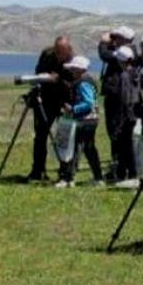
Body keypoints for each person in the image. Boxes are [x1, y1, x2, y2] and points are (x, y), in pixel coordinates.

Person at [27, 35, 74, 183]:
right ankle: (38, 171)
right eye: (57, 52)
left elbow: (74, 83)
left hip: (64, 102)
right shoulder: (46, 54)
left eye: (63, 53)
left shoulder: (74, 61)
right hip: (45, 101)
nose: (60, 56)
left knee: (64, 137)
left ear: (68, 51)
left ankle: (65, 172)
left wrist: (58, 79)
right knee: (40, 136)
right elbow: (38, 72)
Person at [55, 55, 106, 188]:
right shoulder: (88, 81)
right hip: (92, 120)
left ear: (79, 70)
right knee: (89, 149)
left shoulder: (83, 83)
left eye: (73, 68)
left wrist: (73, 109)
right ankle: (98, 178)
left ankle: (68, 179)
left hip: (85, 120)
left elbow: (88, 103)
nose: (71, 71)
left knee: (75, 147)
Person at [105, 46, 140, 188]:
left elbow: (123, 100)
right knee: (124, 145)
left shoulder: (124, 75)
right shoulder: (133, 73)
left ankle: (132, 174)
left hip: (125, 115)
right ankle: (121, 173)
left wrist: (118, 121)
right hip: (131, 114)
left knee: (126, 146)